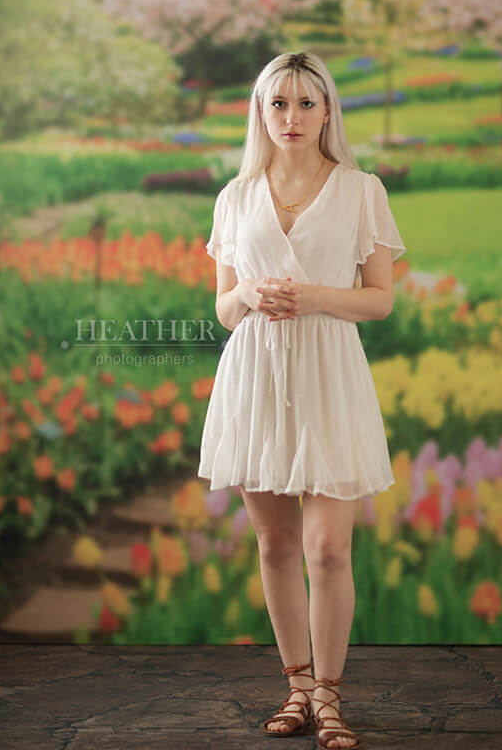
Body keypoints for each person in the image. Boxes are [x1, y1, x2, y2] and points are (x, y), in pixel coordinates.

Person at [198, 51, 406, 749]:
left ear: (328, 111)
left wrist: (313, 295)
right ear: (261, 111)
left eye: (305, 104)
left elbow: (379, 300)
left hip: (328, 371)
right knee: (276, 541)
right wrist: (248, 295)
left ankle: (329, 696)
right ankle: (294, 687)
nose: (291, 117)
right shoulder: (235, 195)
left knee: (325, 548)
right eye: (278, 104)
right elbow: (224, 309)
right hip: (255, 373)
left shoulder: (360, 190)